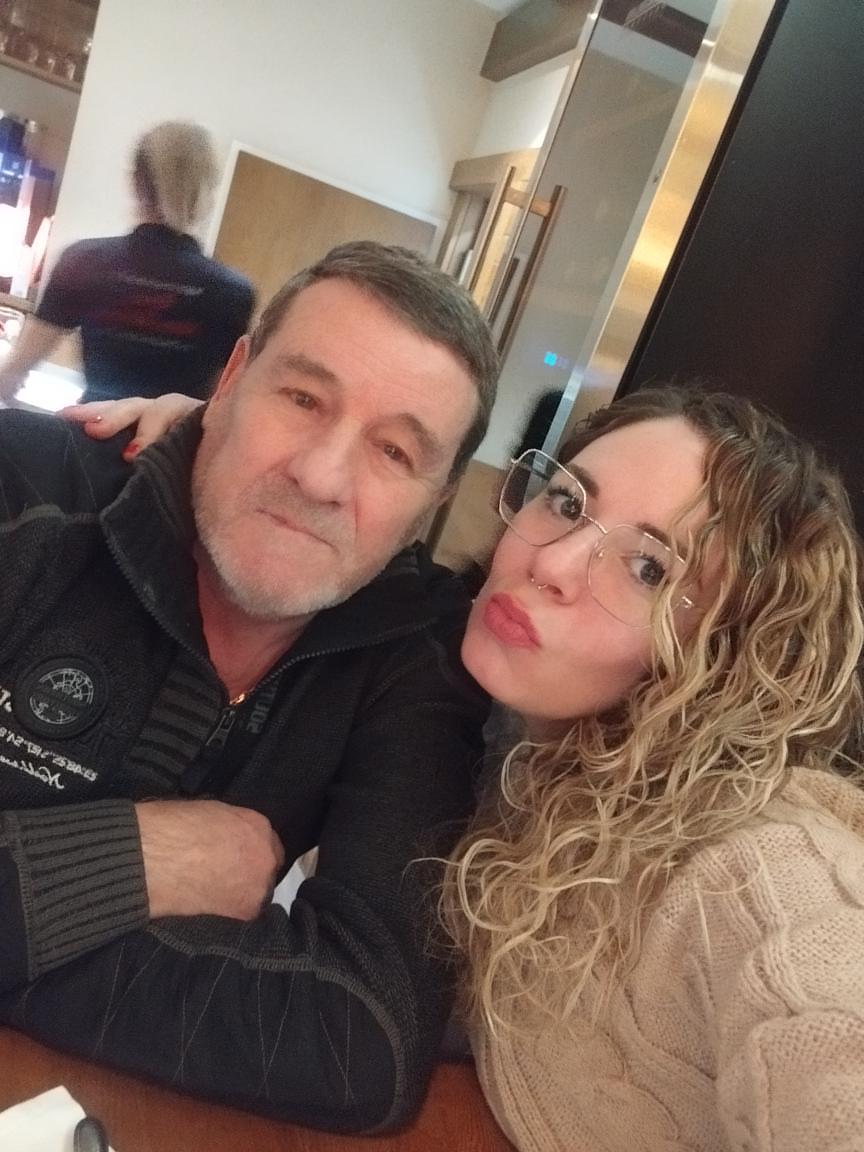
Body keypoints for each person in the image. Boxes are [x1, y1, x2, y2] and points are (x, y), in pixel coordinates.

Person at [71, 384, 864, 1149]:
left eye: (649, 568)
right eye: (567, 503)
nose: (552, 564)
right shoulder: (492, 741)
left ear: (726, 654)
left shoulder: (760, 869)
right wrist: (223, 456)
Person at [0, 241, 497, 1133]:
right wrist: (132, 862)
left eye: (394, 451)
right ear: (230, 379)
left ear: (434, 502)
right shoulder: (22, 494)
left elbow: (364, 1042)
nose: (321, 477)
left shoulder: (417, 655)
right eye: (302, 398)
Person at [0, 120, 255, 407]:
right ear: (206, 190)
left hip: (91, 431)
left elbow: (10, 376)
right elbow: (222, 408)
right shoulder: (232, 293)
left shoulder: (84, 262)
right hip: (174, 437)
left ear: (135, 182)